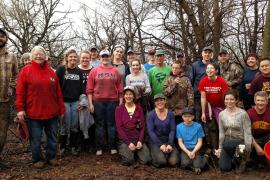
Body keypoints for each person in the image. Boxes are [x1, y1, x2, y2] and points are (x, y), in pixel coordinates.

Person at [16, 46, 65, 169]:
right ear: (32, 56)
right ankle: (37, 158)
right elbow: (20, 92)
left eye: (41, 54)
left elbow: (58, 92)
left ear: (45, 56)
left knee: (52, 137)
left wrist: (61, 109)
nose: (39, 56)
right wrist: (20, 109)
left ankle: (51, 156)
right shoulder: (25, 71)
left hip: (52, 112)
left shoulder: (51, 72)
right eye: (36, 54)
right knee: (36, 138)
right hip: (33, 113)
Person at [86, 49, 123, 156]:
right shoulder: (94, 71)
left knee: (111, 124)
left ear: (109, 57)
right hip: (98, 102)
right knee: (99, 125)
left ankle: (112, 146)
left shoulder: (115, 71)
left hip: (113, 101)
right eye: (103, 56)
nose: (105, 58)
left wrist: (120, 102)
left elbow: (120, 88)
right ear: (100, 58)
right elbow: (89, 88)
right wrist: (90, 103)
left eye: (106, 56)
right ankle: (99, 147)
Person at [56, 49, 84, 156]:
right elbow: (56, 87)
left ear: (77, 58)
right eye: (70, 56)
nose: (73, 58)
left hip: (76, 102)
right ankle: (62, 147)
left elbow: (82, 88)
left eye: (74, 56)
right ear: (67, 57)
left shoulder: (79, 71)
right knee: (64, 125)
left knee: (74, 126)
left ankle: (73, 146)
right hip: (64, 102)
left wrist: (82, 102)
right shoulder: (61, 69)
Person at [217, 90, 252, 172]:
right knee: (224, 168)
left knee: (229, 144)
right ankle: (234, 159)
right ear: (224, 100)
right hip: (227, 143)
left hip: (240, 142)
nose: (229, 101)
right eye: (227, 99)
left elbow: (247, 132)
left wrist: (248, 148)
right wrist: (220, 147)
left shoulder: (243, 114)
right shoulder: (221, 114)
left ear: (236, 100)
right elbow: (221, 132)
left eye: (232, 99)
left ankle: (241, 160)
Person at [115, 86, 151, 166]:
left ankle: (136, 153)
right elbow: (119, 128)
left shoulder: (139, 109)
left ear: (134, 96)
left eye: (130, 94)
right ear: (124, 96)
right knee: (128, 161)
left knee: (147, 160)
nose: (128, 96)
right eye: (126, 94)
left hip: (137, 139)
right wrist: (128, 143)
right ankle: (128, 152)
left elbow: (142, 127)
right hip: (125, 140)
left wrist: (140, 141)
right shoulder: (119, 109)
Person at [198, 63, 228, 152]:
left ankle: (223, 147)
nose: (209, 70)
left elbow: (226, 97)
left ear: (216, 71)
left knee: (222, 127)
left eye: (212, 68)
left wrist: (227, 111)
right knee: (212, 128)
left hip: (220, 107)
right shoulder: (203, 81)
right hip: (209, 107)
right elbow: (203, 97)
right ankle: (214, 148)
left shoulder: (222, 81)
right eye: (208, 68)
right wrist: (203, 112)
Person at [0, 28, 18, 166]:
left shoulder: (12, 56)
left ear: (6, 39)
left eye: (2, 36)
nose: (0, 38)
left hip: (4, 100)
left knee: (3, 131)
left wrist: (11, 88)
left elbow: (15, 75)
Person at [147, 93, 179, 168]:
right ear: (154, 103)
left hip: (168, 140)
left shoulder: (170, 114)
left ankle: (165, 154)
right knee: (161, 162)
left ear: (165, 101)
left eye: (161, 100)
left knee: (174, 162)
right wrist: (160, 145)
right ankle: (158, 155)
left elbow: (172, 130)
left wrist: (170, 144)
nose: (159, 102)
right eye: (157, 101)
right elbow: (150, 131)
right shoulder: (151, 114)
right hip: (156, 141)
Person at [176, 107, 207, 175]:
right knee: (184, 164)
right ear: (182, 117)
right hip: (185, 148)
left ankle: (206, 156)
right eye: (185, 116)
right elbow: (180, 142)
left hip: (196, 148)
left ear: (193, 116)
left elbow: (200, 142)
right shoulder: (179, 126)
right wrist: (188, 152)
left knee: (199, 166)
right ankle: (192, 163)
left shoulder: (198, 126)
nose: (187, 118)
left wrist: (193, 152)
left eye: (190, 116)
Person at [189, 46, 215, 122]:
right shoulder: (195, 65)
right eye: (205, 52)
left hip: (211, 94)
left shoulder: (215, 64)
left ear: (211, 54)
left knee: (211, 117)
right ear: (202, 54)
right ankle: (200, 133)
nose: (207, 54)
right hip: (198, 96)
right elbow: (191, 80)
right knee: (198, 116)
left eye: (209, 53)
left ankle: (209, 134)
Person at [247, 91, 270, 168]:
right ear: (254, 101)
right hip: (253, 139)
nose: (260, 103)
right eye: (258, 100)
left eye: (262, 100)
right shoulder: (249, 113)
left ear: (267, 102)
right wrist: (256, 146)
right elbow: (247, 133)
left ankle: (263, 159)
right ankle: (253, 159)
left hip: (267, 138)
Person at [78, 50, 94, 152]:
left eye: (87, 58)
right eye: (83, 57)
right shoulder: (76, 69)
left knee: (92, 121)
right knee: (80, 121)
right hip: (79, 99)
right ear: (80, 58)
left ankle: (91, 144)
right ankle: (80, 144)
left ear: (90, 59)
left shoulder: (94, 70)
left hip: (92, 98)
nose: (85, 59)